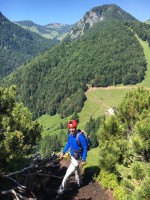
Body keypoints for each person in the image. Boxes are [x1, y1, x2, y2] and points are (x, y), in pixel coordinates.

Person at [56, 119, 87, 199]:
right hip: (73, 156)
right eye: (70, 128)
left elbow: (85, 147)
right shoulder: (70, 136)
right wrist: (63, 152)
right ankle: (80, 183)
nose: (71, 130)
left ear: (75, 127)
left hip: (78, 158)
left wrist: (83, 159)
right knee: (76, 168)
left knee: (67, 175)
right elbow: (68, 144)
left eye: (73, 128)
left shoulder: (80, 136)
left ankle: (61, 191)